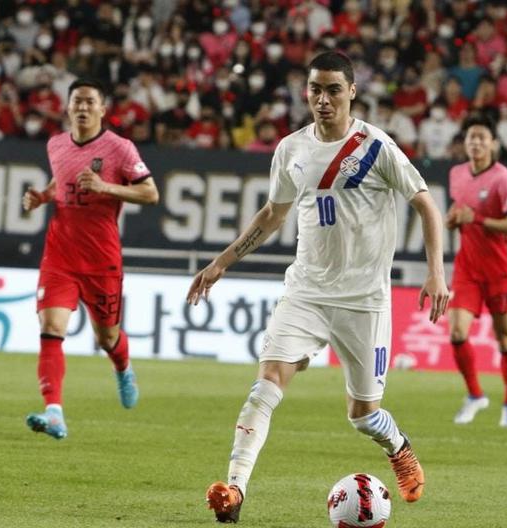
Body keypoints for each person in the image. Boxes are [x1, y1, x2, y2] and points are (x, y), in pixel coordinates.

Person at [189, 51, 449, 523]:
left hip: (364, 301)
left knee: (363, 414)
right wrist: (221, 262)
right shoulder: (291, 149)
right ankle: (235, 489)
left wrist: (436, 272)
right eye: (315, 89)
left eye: (333, 89)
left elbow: (427, 206)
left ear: (352, 91)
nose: (323, 99)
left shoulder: (376, 146)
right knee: (265, 385)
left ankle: (398, 446)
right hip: (306, 290)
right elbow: (273, 214)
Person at [21, 78, 160, 440]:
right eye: (76, 102)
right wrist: (43, 196)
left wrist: (106, 188)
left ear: (102, 109)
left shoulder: (120, 148)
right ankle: (54, 412)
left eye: (89, 102)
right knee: (51, 329)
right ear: (67, 108)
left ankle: (123, 365)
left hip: (101, 259)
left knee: (106, 337)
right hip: (60, 254)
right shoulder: (55, 145)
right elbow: (62, 181)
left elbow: (150, 193)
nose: (82, 108)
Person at [445, 114, 507, 427]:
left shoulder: (503, 179)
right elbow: (459, 214)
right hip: (467, 267)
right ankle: (475, 395)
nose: (475, 142)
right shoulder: (456, 174)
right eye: (470, 137)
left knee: (505, 338)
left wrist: (475, 219)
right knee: (457, 332)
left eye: (481, 137)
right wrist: (455, 220)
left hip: (499, 269)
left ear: (494, 143)